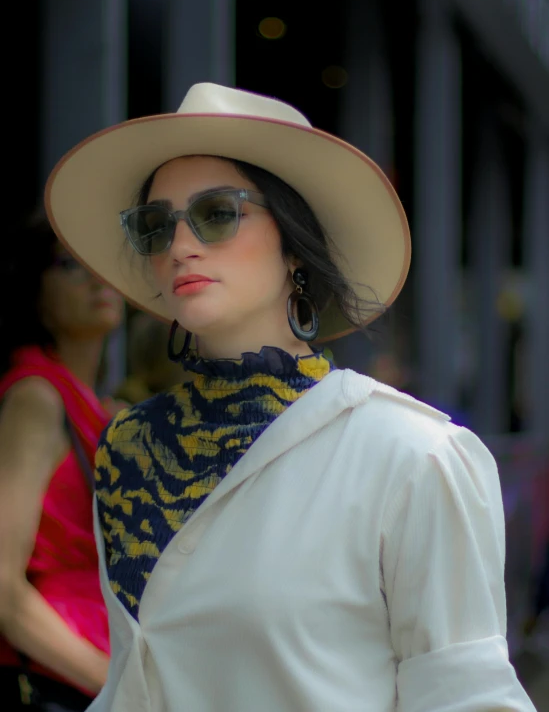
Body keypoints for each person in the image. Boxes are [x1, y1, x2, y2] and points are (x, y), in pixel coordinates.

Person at [44, 83, 535, 711]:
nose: (180, 244)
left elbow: (467, 697)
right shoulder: (129, 447)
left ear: (294, 246)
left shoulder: (415, 455)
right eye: (154, 225)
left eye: (217, 213)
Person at [0, 209, 124, 710]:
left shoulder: (97, 408)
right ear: (36, 297)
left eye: (99, 261)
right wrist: (116, 688)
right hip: (57, 680)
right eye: (69, 265)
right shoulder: (36, 398)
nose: (96, 277)